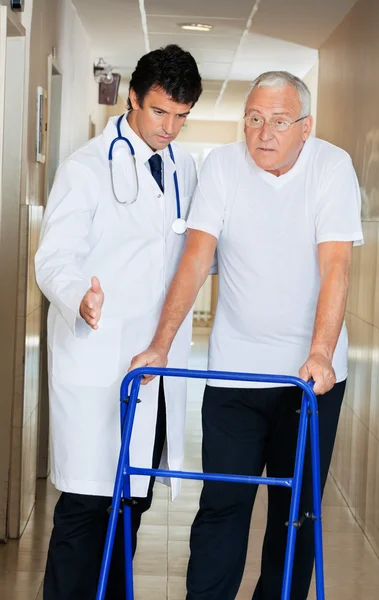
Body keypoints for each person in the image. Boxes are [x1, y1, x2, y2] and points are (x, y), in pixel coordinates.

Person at [129, 71, 363, 599]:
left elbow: (336, 267)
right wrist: (161, 344)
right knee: (222, 506)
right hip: (235, 375)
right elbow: (195, 259)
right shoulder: (223, 167)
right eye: (254, 119)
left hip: (310, 383)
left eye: (278, 122)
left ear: (305, 126)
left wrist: (321, 353)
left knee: (296, 514)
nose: (263, 134)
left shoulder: (332, 167)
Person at [35, 44, 202, 600]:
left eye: (182, 116)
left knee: (131, 508)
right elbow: (52, 258)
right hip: (98, 364)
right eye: (160, 112)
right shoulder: (85, 168)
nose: (170, 128)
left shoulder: (184, 169)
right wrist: (81, 295)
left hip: (152, 370)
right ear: (133, 97)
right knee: (84, 513)